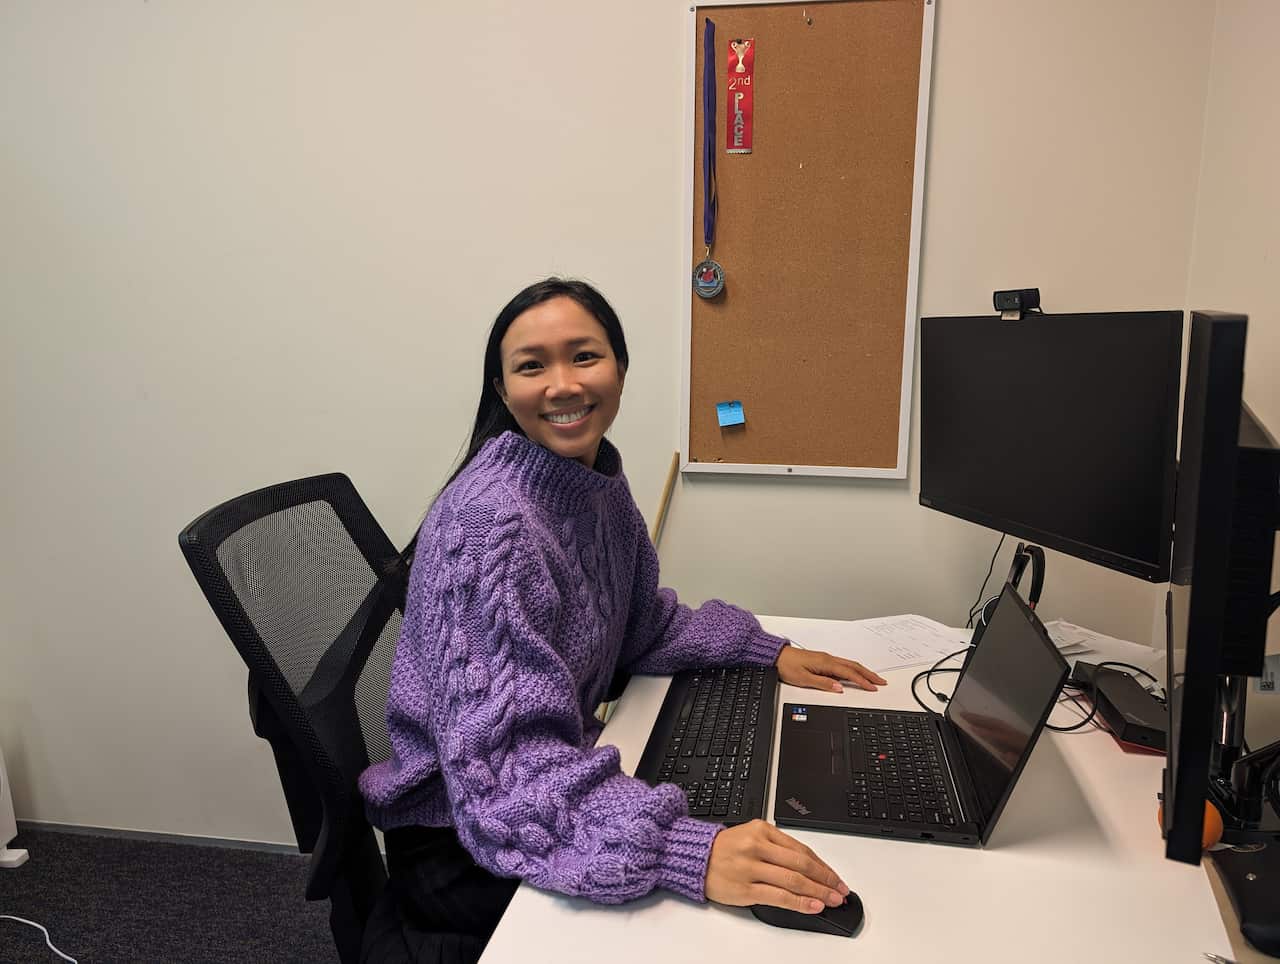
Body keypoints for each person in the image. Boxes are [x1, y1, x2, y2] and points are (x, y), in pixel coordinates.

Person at [358, 278, 886, 963]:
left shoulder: (592, 478)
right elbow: (506, 774)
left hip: (542, 782)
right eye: (531, 366)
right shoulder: (493, 524)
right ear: (501, 388)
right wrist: (682, 850)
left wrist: (761, 650)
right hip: (461, 833)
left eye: (584, 356)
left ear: (621, 369)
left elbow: (637, 625)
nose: (562, 385)